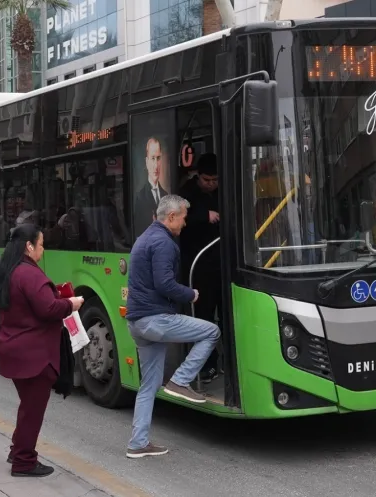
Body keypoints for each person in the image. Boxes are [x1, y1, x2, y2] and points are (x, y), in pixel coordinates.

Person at [124, 195, 220, 459]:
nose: (185, 224)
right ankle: (180, 381)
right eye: (183, 218)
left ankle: (138, 443)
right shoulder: (164, 243)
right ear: (171, 217)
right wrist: (191, 294)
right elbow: (164, 284)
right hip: (156, 319)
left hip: (137, 323)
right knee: (211, 331)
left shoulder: (144, 238)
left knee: (148, 386)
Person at [0, 224, 84, 477]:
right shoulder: (29, 274)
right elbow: (48, 309)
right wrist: (71, 303)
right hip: (33, 355)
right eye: (41, 244)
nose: (43, 249)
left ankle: (17, 450)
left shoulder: (8, 269)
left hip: (14, 348)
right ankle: (24, 461)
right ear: (29, 246)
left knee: (27, 406)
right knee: (33, 410)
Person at [178, 154, 222, 382]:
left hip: (221, 263)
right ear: (198, 176)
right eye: (207, 180)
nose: (211, 184)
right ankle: (208, 364)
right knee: (203, 316)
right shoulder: (186, 193)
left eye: (215, 180)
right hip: (197, 265)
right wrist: (204, 216)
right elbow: (179, 220)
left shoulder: (223, 191)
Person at [133, 137, 168, 235]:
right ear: (146, 162)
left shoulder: (166, 195)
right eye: (153, 158)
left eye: (158, 158)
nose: (156, 165)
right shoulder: (139, 197)